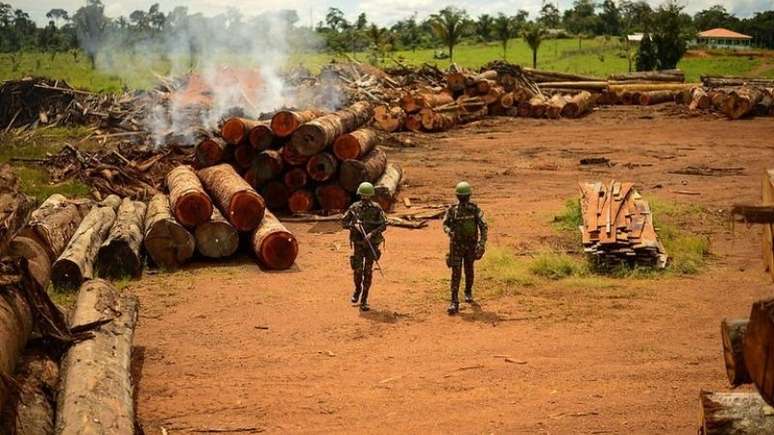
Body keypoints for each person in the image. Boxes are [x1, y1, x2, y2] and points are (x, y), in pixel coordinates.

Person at [443, 181, 488, 315]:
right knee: (456, 273)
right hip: (456, 245)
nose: (463, 199)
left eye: (464, 196)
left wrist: (481, 243)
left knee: (469, 270)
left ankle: (468, 292)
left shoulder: (474, 209)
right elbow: (445, 224)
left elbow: (483, 226)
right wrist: (449, 231)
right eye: (462, 196)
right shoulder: (452, 210)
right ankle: (454, 301)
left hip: (470, 245)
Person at [342, 182, 387, 312]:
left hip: (371, 244)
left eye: (367, 196)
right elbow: (344, 222)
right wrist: (353, 226)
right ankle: (357, 290)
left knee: (368, 272)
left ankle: (364, 299)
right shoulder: (354, 208)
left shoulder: (377, 208)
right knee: (358, 270)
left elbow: (384, 224)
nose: (365, 198)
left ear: (371, 196)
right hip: (358, 244)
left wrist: (372, 234)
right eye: (363, 196)